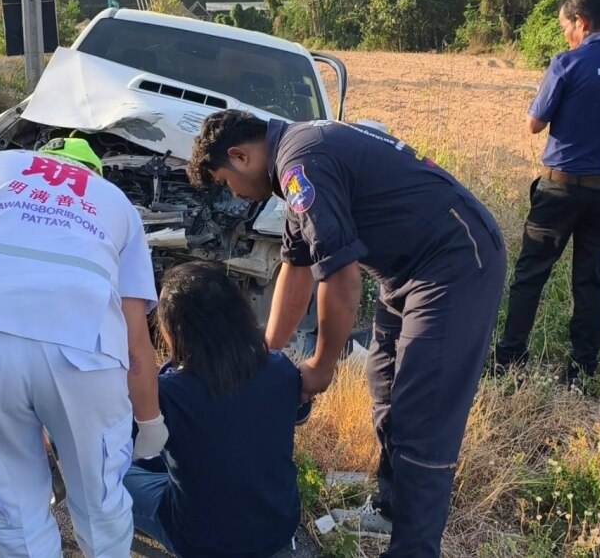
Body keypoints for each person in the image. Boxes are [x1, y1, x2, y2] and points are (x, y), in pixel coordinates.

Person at [187, 111, 507, 557]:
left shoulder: (300, 165)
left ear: (240, 156)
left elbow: (341, 279)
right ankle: (392, 507)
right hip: (407, 268)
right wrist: (266, 353)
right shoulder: (294, 159)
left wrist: (320, 365)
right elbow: (297, 268)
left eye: (225, 183)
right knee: (384, 384)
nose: (235, 196)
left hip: (453, 262)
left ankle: (413, 548)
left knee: (422, 415)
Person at [0, 137, 168, 557]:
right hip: (84, 350)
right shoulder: (117, 203)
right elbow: (135, 337)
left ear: (42, 157)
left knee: (15, 508)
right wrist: (150, 421)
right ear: (93, 172)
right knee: (100, 500)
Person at [493, 0, 600, 390]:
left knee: (531, 275)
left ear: (581, 24)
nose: (565, 34)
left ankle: (509, 361)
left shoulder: (567, 64)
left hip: (561, 191)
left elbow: (534, 124)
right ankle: (582, 370)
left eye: (565, 26)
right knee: (589, 280)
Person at [122, 262, 302, 558]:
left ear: (174, 330)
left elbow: (125, 444)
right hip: (280, 525)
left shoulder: (169, 393)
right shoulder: (281, 369)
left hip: (202, 542)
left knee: (113, 475)